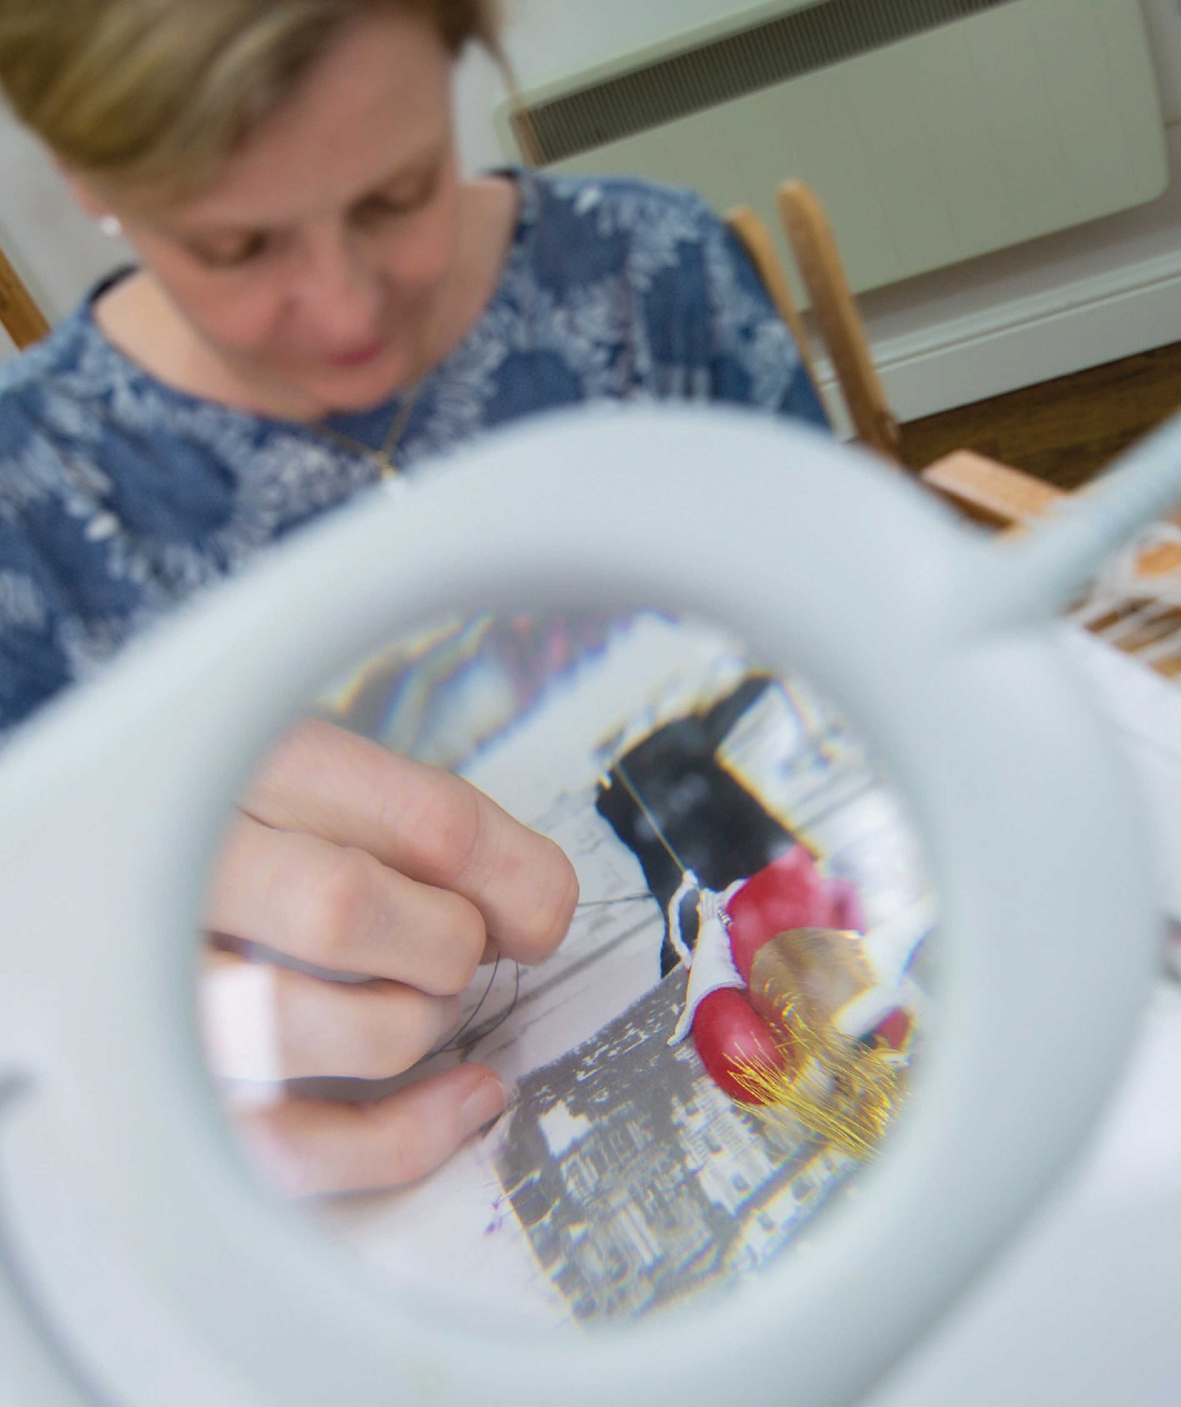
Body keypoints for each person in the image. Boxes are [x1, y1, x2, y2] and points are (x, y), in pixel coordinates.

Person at [0, 0, 831, 1194]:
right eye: (235, 248)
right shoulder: (26, 513)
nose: (345, 315)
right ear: (83, 177)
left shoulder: (658, 285)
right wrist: (108, 1027)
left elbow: (859, 653)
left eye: (396, 193)